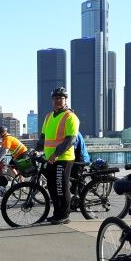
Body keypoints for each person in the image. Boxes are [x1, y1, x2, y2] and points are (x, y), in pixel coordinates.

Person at [36, 86, 80, 224]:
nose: (57, 101)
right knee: (52, 187)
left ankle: (64, 215)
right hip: (50, 158)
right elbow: (43, 138)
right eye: (55, 98)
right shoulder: (48, 116)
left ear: (65, 100)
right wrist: (37, 150)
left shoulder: (70, 116)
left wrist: (56, 154)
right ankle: (57, 213)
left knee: (61, 186)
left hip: (63, 158)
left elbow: (70, 139)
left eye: (60, 98)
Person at [70, 131, 91, 196]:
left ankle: (80, 197)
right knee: (74, 178)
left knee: (75, 178)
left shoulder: (74, 133)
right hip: (78, 158)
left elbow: (72, 147)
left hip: (81, 159)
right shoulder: (74, 132)